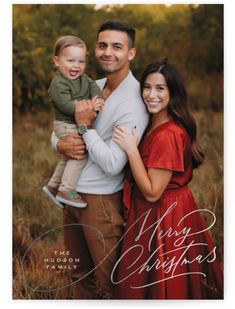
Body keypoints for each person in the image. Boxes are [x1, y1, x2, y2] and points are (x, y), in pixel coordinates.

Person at [51, 21, 149, 298]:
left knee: (108, 285)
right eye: (102, 45)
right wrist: (61, 144)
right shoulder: (89, 85)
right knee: (78, 276)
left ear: (131, 53)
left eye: (117, 46)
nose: (108, 52)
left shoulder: (135, 101)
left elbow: (113, 164)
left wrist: (84, 127)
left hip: (101, 203)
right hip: (70, 196)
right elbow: (56, 130)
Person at [113, 59, 223, 299]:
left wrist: (132, 150)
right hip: (157, 213)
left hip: (164, 217)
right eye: (147, 87)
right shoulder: (153, 122)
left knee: (162, 286)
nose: (151, 95)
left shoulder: (168, 134)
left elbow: (153, 192)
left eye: (160, 88)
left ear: (173, 92)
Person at [43, 35, 104, 209]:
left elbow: (93, 85)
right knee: (79, 155)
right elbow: (66, 105)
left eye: (81, 62)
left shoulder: (83, 79)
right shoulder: (59, 83)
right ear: (57, 61)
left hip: (73, 123)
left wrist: (97, 97)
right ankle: (66, 189)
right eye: (70, 60)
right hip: (65, 124)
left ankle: (53, 186)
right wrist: (87, 108)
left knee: (69, 156)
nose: (76, 66)